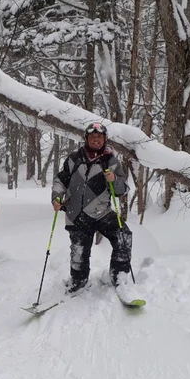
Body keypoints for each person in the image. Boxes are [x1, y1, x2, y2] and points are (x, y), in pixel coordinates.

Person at [51, 122, 132, 294]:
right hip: (76, 214)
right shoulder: (74, 159)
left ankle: (119, 275)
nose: (96, 140)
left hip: (101, 212)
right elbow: (60, 180)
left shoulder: (110, 160)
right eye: (92, 137)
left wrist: (114, 180)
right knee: (79, 251)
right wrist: (56, 198)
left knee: (123, 236)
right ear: (86, 139)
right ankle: (78, 281)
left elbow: (122, 190)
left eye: (99, 137)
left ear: (104, 139)